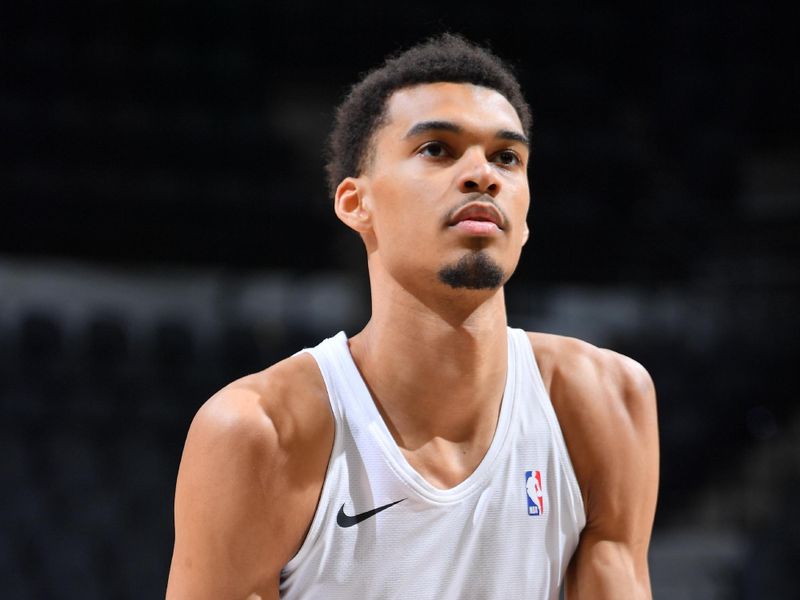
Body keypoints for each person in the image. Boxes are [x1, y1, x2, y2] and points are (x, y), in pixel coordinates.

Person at [166, 34, 659, 600]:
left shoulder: (602, 402)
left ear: (525, 219)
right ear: (357, 203)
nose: (482, 174)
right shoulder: (260, 433)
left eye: (507, 157)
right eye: (438, 150)